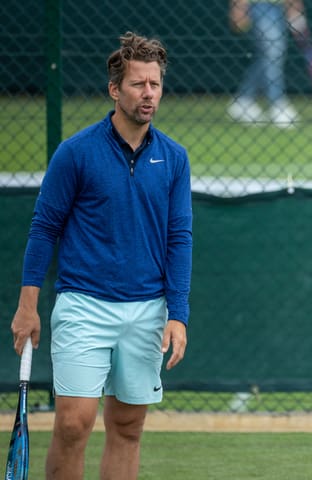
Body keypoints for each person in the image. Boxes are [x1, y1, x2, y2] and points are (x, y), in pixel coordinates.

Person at [10, 32, 193, 479]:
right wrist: (27, 306)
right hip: (83, 305)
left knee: (128, 427)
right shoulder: (75, 152)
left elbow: (179, 237)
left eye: (155, 84)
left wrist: (178, 312)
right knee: (73, 425)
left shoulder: (174, 158)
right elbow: (44, 228)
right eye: (138, 84)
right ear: (115, 89)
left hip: (147, 310)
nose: (148, 93)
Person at [227, 0, 312, 129]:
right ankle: (277, 104)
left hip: (280, 7)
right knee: (273, 51)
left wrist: (295, 10)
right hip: (256, 6)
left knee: (269, 55)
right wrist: (239, 7)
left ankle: (243, 101)